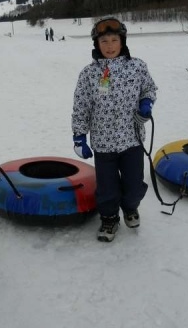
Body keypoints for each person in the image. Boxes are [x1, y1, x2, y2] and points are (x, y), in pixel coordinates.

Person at [71, 16, 158, 242]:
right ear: (96, 45)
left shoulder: (137, 66)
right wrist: (79, 136)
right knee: (107, 188)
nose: (109, 46)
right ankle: (109, 218)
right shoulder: (89, 74)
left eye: (113, 40)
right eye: (104, 42)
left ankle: (130, 208)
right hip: (103, 143)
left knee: (133, 184)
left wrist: (146, 103)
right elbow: (81, 105)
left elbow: (149, 88)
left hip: (132, 140)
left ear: (122, 41)